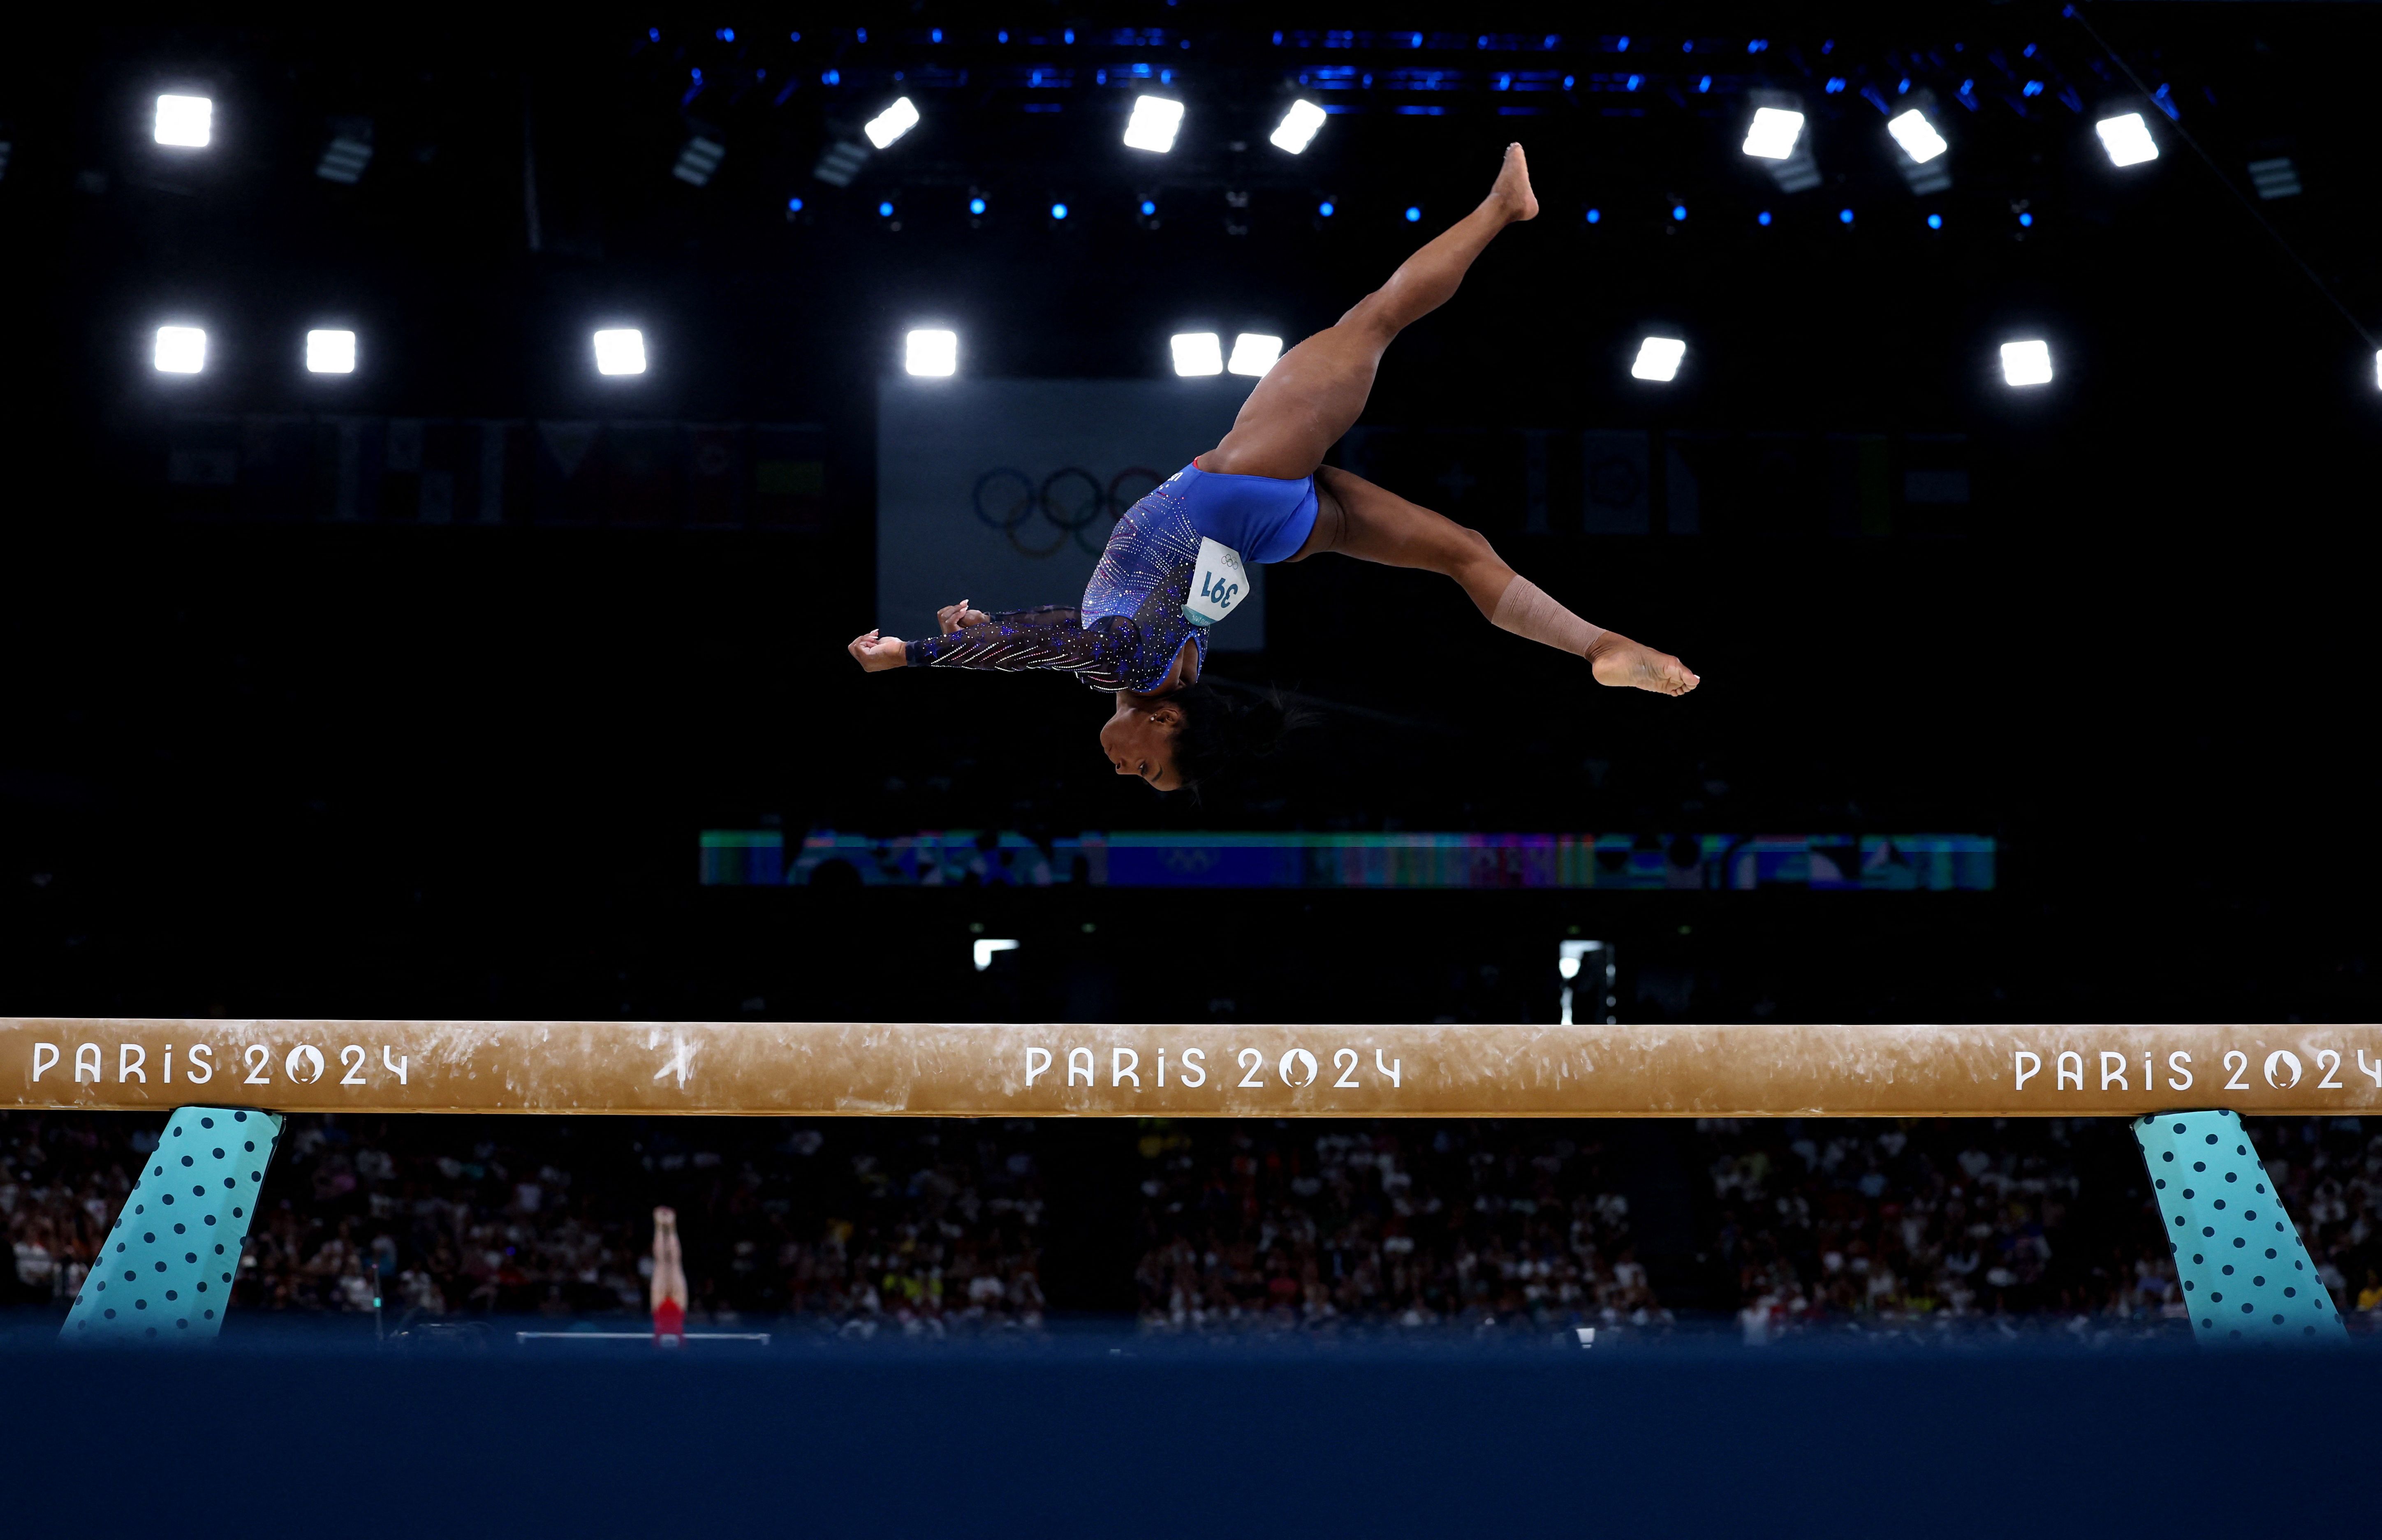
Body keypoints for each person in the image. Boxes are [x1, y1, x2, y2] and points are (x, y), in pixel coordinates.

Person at [850, 144, 1697, 793]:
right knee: (1372, 321)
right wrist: (912, 655)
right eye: (1147, 770)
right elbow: (1056, 645)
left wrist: (984, 627)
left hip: (1275, 531)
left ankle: (1599, 644)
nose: (1123, 773)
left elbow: (1058, 633)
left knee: (1461, 552)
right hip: (1237, 492)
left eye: (1140, 777)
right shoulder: (1127, 669)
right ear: (1169, 720)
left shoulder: (1151, 667)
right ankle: (1502, 208)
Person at [650, 1205, 688, 1348]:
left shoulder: (657, 1352)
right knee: (675, 1264)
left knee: (662, 1264)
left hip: (659, 1310)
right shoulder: (682, 1351)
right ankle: (671, 1227)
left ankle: (660, 1226)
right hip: (678, 1310)